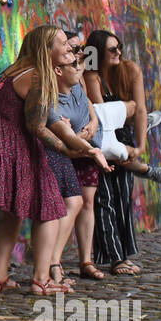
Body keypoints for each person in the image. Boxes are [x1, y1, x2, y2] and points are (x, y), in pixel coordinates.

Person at [0, 24, 109, 296]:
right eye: (62, 43)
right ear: (45, 49)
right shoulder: (38, 76)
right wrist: (68, 149)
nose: (68, 48)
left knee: (14, 211)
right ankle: (42, 280)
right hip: (6, 142)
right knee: (50, 206)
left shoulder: (18, 67)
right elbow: (37, 127)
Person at [82, 30, 161, 275]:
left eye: (119, 47)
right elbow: (100, 115)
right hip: (101, 137)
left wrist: (141, 145)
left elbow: (140, 108)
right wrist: (127, 108)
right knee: (104, 199)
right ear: (98, 52)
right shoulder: (91, 75)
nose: (119, 53)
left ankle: (122, 255)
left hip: (123, 135)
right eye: (112, 49)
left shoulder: (130, 69)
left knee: (122, 197)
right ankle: (115, 257)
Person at [46, 33, 111, 281]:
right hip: (65, 150)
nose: (77, 55)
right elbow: (55, 122)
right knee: (66, 203)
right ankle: (53, 263)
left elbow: (90, 105)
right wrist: (82, 142)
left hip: (84, 145)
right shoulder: (54, 84)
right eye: (72, 49)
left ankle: (84, 260)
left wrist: (93, 124)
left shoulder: (76, 80)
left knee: (85, 201)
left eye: (79, 51)